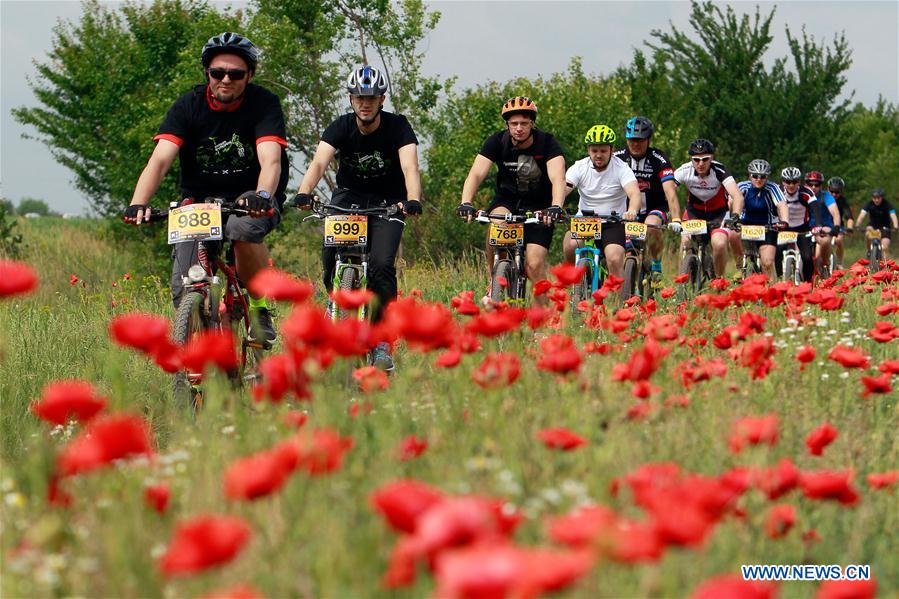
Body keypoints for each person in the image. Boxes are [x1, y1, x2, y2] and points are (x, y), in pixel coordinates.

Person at [124, 32, 288, 344]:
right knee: (185, 286)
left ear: (249, 76)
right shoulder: (188, 106)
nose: (226, 79)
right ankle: (200, 345)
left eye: (236, 74)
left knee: (244, 229)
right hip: (199, 200)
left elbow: (271, 161)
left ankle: (258, 306)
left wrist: (262, 195)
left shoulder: (264, 104)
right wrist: (138, 202)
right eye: (217, 73)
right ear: (207, 74)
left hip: (250, 197)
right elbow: (160, 160)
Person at [295, 64, 422, 372]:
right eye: (359, 97)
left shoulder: (398, 126)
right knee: (329, 258)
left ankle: (381, 341)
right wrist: (304, 191)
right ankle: (334, 302)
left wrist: (413, 199)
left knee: (380, 265)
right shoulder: (340, 126)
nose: (365, 103)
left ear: (382, 100)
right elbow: (318, 163)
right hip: (349, 197)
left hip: (388, 202)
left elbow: (410, 168)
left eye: (372, 97)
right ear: (351, 99)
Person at [457, 97, 566, 304]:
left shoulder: (547, 142)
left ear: (532, 124)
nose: (519, 129)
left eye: (524, 123)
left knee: (534, 265)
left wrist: (556, 206)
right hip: (507, 200)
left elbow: (557, 178)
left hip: (540, 207)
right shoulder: (496, 141)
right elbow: (476, 174)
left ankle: (541, 322)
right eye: (514, 124)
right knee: (494, 225)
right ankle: (494, 281)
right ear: (507, 124)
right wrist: (466, 202)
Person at [563, 125, 641, 291]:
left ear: (611, 150)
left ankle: (618, 304)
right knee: (570, 245)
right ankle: (573, 283)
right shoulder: (579, 167)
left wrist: (632, 210)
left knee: (614, 258)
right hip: (585, 220)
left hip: (612, 222)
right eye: (594, 150)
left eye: (603, 151)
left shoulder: (621, 168)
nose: (598, 155)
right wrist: (555, 205)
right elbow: (564, 188)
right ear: (588, 150)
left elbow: (634, 193)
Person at [614, 117, 682, 285]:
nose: (635, 144)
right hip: (627, 210)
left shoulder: (659, 158)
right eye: (632, 140)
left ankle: (656, 264)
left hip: (655, 206)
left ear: (648, 140)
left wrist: (676, 219)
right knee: (625, 249)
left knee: (651, 226)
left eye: (640, 141)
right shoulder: (618, 157)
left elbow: (670, 190)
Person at [673, 139, 745, 277]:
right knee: (685, 242)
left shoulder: (720, 170)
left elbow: (737, 196)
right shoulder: (684, 170)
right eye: (696, 160)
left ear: (712, 157)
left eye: (705, 159)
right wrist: (671, 214)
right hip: (694, 212)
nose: (700, 164)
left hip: (718, 214)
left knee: (719, 244)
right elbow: (668, 191)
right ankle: (684, 276)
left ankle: (718, 280)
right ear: (691, 159)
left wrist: (735, 216)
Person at [736, 159, 789, 279]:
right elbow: (732, 202)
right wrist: (733, 219)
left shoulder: (773, 188)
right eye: (755, 176)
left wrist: (784, 221)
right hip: (745, 223)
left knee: (768, 262)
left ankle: (771, 291)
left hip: (767, 226)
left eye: (762, 176)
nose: (758, 179)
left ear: (767, 177)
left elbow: (782, 205)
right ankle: (739, 266)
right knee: (732, 235)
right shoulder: (742, 186)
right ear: (749, 175)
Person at [777, 166, 823, 282]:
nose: (791, 185)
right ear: (783, 182)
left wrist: (817, 225)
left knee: (807, 257)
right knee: (776, 253)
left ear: (799, 182)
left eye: (795, 182)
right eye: (788, 182)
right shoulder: (778, 191)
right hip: (783, 229)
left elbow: (815, 210)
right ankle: (777, 280)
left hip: (802, 230)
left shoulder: (806, 192)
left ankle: (808, 284)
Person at [804, 171, 842, 275]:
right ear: (805, 184)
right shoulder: (801, 194)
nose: (813, 187)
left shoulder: (826, 196)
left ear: (821, 186)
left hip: (824, 227)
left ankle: (826, 264)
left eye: (817, 185)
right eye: (810, 184)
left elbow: (835, 213)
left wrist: (837, 226)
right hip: (805, 227)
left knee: (824, 243)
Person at [856, 188, 898, 261]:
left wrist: (896, 225)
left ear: (882, 197)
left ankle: (886, 266)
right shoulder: (869, 204)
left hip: (885, 228)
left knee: (885, 247)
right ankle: (869, 250)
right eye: (874, 198)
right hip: (873, 226)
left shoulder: (887, 204)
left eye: (878, 198)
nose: (876, 200)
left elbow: (893, 215)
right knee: (868, 233)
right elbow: (862, 215)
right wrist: (858, 224)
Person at [827, 176, 854, 268]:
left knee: (839, 240)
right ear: (828, 189)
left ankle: (839, 263)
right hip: (824, 225)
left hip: (838, 226)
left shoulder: (842, 201)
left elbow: (849, 216)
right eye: (832, 191)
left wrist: (850, 228)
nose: (834, 194)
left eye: (837, 192)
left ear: (841, 191)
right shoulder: (823, 198)